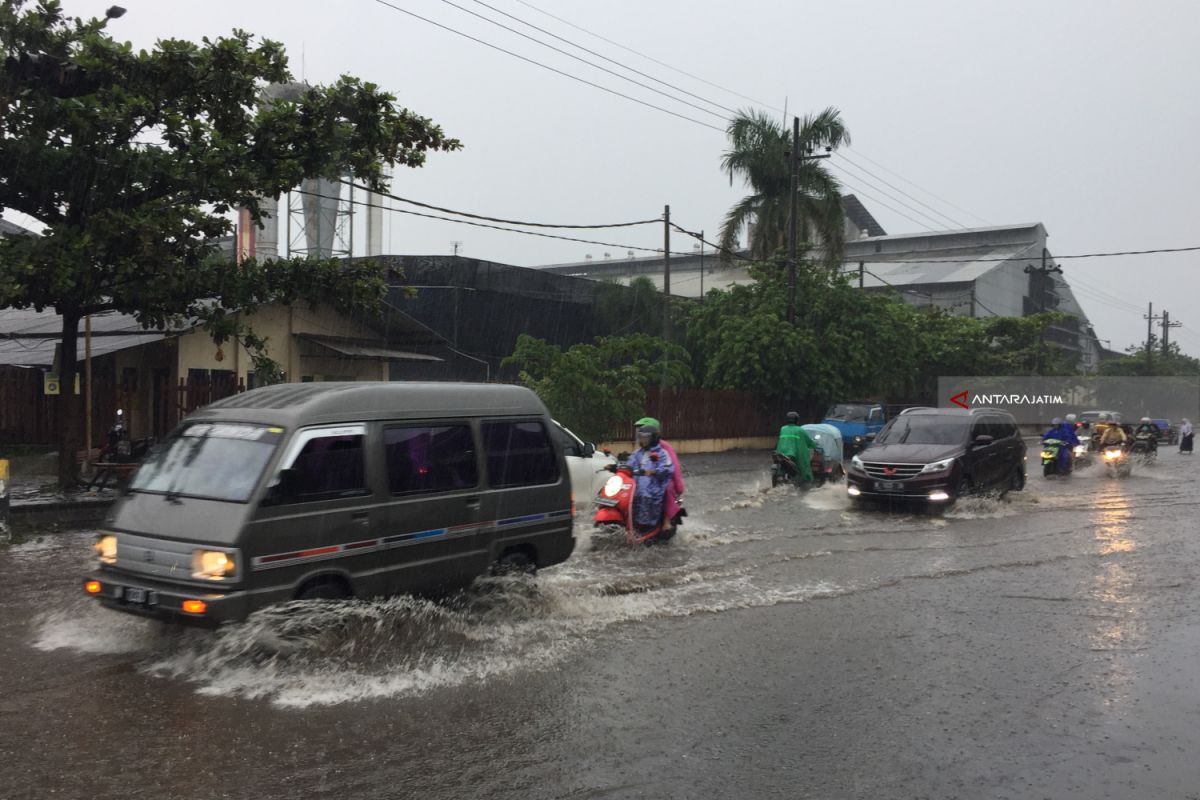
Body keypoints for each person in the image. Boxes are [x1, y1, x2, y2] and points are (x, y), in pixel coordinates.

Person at [635, 416, 685, 525]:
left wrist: (679, 486)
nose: (641, 435)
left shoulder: (664, 447)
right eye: (639, 432)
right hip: (644, 477)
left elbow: (674, 467)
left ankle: (666, 522)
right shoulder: (641, 448)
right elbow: (634, 460)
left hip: (662, 477)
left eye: (645, 432)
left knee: (666, 488)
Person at [627, 424, 675, 531]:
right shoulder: (637, 453)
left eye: (646, 437)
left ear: (653, 438)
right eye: (641, 436)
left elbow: (667, 468)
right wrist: (617, 467)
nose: (642, 439)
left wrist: (654, 471)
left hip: (654, 485)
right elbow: (629, 464)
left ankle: (646, 526)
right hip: (635, 485)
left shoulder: (662, 453)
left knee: (645, 494)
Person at [776, 411, 819, 484]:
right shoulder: (800, 430)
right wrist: (815, 444)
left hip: (781, 453)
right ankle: (806, 481)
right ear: (797, 420)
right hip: (792, 455)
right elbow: (809, 442)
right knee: (804, 465)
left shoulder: (783, 429)